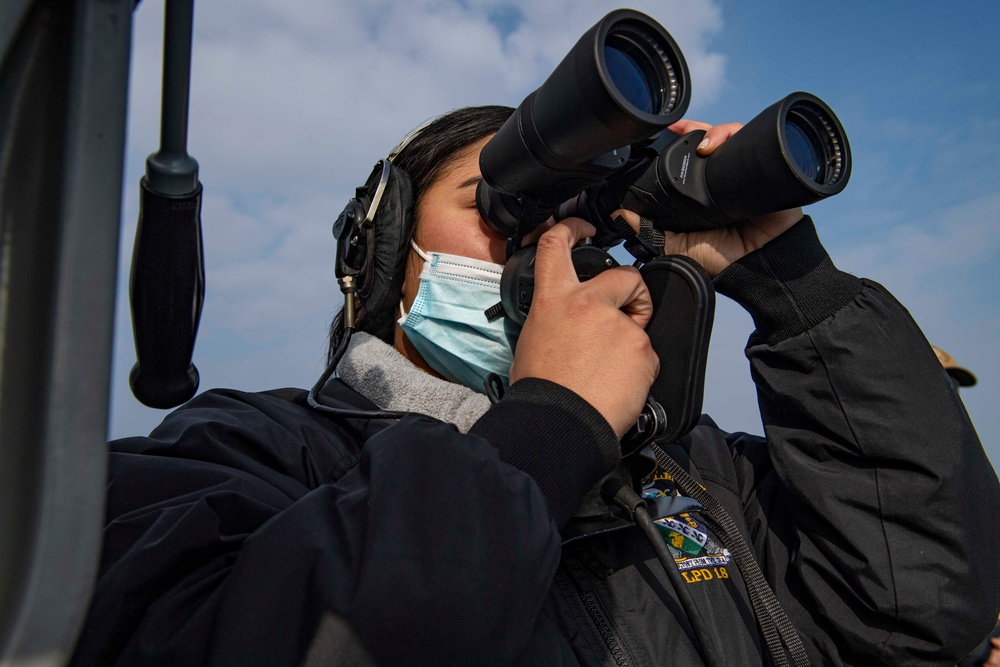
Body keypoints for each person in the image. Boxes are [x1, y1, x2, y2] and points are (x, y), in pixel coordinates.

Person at [71, 106, 1000, 666]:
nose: (547, 240)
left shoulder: (698, 474)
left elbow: (921, 616)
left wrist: (796, 290)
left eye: (580, 213)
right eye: (503, 201)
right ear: (389, 248)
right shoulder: (252, 453)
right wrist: (550, 426)